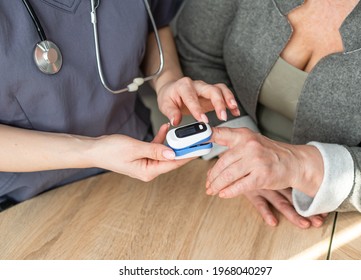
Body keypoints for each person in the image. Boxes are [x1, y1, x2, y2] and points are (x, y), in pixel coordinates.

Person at [0, 0, 240, 210]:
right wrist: (93, 151)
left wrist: (167, 79)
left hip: (137, 172)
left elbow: (152, 22)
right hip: (27, 200)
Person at [174, 0, 361, 228]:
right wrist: (239, 153)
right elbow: (197, 57)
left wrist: (297, 166)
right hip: (210, 165)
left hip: (335, 212)